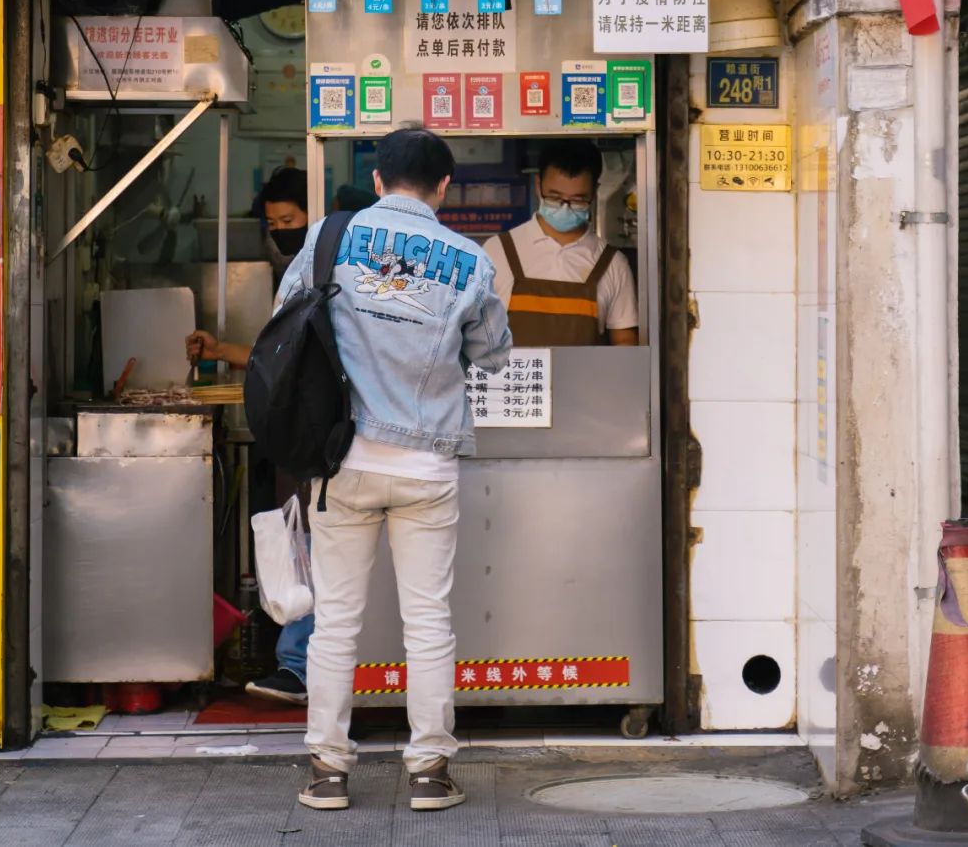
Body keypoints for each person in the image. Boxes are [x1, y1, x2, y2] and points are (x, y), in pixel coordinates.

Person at [277, 127, 511, 813]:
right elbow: (493, 354)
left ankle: (328, 770)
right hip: (427, 463)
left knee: (337, 621)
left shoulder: (326, 239)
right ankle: (430, 772)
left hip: (340, 458)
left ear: (377, 182)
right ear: (443, 189)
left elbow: (283, 325)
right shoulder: (469, 260)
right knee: (429, 621)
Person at [186, 164, 313, 706]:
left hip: (317, 435)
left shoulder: (323, 266)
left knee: (313, 548)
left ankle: (300, 664)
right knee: (304, 546)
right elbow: (274, 351)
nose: (281, 229)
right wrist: (221, 353)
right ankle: (298, 662)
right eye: (273, 222)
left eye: (289, 219)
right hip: (299, 434)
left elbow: (287, 355)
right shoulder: (295, 271)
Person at [482, 141, 638, 348]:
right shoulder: (496, 251)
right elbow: (470, 332)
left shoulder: (612, 264)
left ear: (594, 192)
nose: (565, 208)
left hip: (588, 381)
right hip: (515, 379)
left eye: (577, 200)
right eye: (555, 198)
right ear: (538, 185)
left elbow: (625, 342)